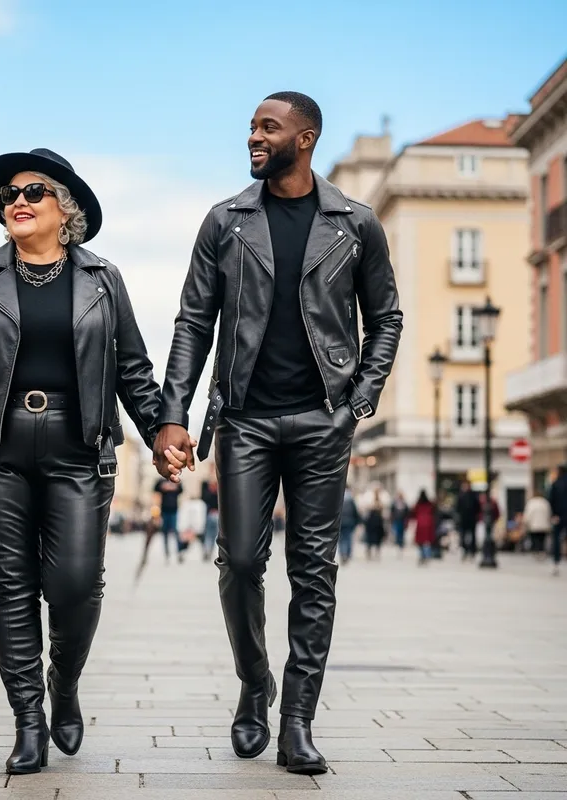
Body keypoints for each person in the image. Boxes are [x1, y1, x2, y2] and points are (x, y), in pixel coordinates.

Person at [153, 92, 402, 774]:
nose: (254, 137)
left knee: (313, 568)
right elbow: (192, 323)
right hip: (242, 419)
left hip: (324, 420)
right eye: (252, 127)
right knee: (238, 562)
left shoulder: (355, 224)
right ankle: (254, 682)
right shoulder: (226, 222)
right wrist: (173, 414)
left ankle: (297, 718)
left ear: (307, 137)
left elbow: (387, 318)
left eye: (269, 127)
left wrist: (358, 400)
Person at [0, 148, 161, 776]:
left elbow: (132, 369)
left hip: (79, 450)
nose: (16, 201)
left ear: (66, 209)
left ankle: (66, 683)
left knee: (77, 584)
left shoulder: (103, 280)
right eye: (8, 195)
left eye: (33, 191)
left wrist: (163, 430)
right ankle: (29, 720)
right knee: (11, 588)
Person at [153, 477, 184, 562]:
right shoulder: (161, 480)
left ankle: (179, 551)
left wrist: (174, 486)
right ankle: (167, 553)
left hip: (174, 510)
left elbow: (181, 490)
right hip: (164, 511)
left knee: (176, 531)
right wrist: (164, 486)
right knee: (165, 532)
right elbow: (155, 489)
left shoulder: (176, 479)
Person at [549, 464, 567, 576]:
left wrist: (554, 514)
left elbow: (551, 500)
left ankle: (556, 563)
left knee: (556, 539)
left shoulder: (556, 484)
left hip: (559, 516)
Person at [410, 490, 436, 564]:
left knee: (420, 541)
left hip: (420, 523)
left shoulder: (418, 504)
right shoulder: (430, 504)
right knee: (427, 541)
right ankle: (427, 556)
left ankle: (422, 556)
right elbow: (433, 511)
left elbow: (413, 513)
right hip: (428, 523)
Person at [456, 480, 480, 559]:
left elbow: (477, 507)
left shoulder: (473, 496)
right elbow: (457, 508)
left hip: (471, 519)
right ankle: (466, 550)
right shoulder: (461, 496)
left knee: (472, 536)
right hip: (464, 519)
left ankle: (472, 551)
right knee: (463, 536)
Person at [522, 491, 550, 556]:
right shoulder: (545, 502)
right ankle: (541, 551)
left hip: (534, 525)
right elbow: (549, 513)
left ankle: (536, 551)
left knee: (534, 539)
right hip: (544, 525)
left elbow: (528, 514)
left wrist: (526, 522)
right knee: (542, 539)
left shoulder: (531, 503)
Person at [339, 486, 361, 565]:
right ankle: (347, 554)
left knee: (341, 539)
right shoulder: (351, 498)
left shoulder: (339, 496)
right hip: (349, 522)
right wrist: (358, 521)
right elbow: (355, 511)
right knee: (348, 538)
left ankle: (343, 553)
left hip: (340, 522)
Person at [201, 475, 220, 561]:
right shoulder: (208, 492)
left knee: (214, 535)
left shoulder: (219, 493)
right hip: (210, 514)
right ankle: (207, 551)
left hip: (217, 514)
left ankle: (210, 551)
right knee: (209, 535)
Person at [364, 490, 386, 559]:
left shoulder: (380, 503)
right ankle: (371, 552)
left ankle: (374, 552)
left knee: (375, 539)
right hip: (374, 524)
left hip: (376, 524)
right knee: (371, 539)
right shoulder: (371, 503)